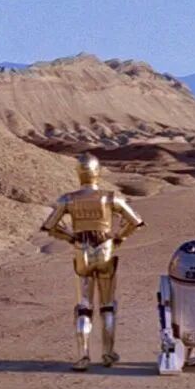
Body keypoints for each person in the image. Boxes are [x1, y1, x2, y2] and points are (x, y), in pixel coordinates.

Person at [41, 153, 144, 371]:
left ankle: (83, 355)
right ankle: (107, 353)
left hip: (82, 252)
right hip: (106, 250)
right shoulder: (111, 198)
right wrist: (119, 238)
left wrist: (70, 237)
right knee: (107, 305)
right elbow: (135, 221)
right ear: (97, 172)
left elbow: (50, 226)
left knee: (84, 307)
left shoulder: (68, 199)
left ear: (79, 173)